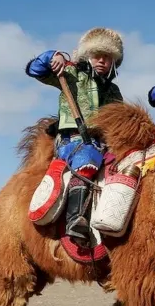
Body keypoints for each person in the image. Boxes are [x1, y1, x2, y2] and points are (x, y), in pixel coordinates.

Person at [24, 27, 125, 246]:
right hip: (74, 140)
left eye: (107, 57)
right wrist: (53, 56)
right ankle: (75, 220)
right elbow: (34, 69)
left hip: (104, 144)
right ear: (87, 55)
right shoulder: (71, 74)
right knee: (86, 158)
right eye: (97, 55)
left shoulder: (114, 91)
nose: (101, 60)